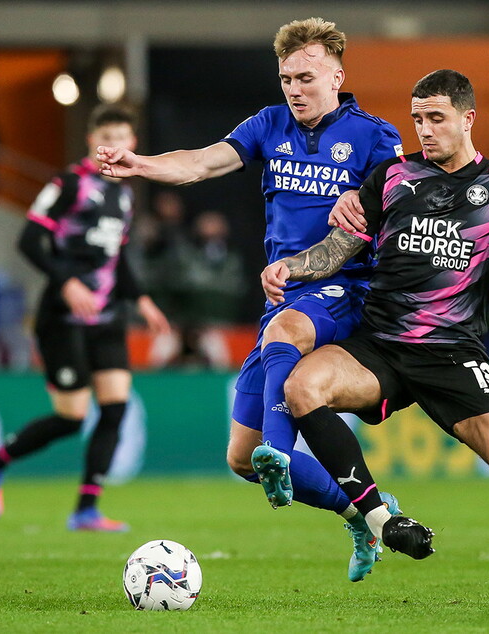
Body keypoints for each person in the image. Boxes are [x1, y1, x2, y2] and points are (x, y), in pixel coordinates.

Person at [263, 70, 489, 606]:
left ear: (467, 118)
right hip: (380, 345)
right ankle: (380, 519)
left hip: (453, 355)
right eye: (417, 119)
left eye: (436, 118)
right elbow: (338, 249)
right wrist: (291, 268)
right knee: (302, 388)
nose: (425, 130)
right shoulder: (391, 176)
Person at [95, 18, 404, 581]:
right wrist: (142, 165)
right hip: (283, 293)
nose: (294, 88)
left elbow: (385, 211)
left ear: (338, 74)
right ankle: (362, 512)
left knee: (285, 344)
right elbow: (202, 162)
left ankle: (282, 453)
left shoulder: (375, 136)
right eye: (286, 78)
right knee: (240, 458)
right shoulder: (269, 125)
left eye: (306, 77)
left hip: (345, 289)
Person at [0, 104, 170, 531]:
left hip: (106, 317)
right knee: (72, 416)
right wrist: (66, 283)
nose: (114, 145)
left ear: (132, 144)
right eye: (107, 138)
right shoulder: (69, 184)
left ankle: (86, 509)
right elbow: (29, 240)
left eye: (122, 137)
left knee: (115, 407)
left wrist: (142, 299)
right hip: (61, 316)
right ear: (92, 142)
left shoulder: (124, 193)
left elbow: (114, 258)